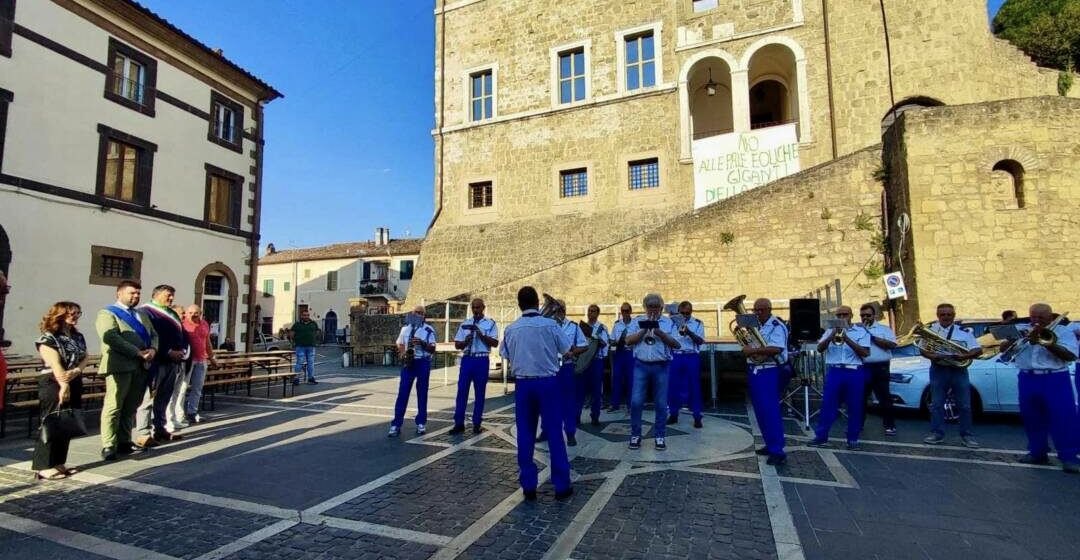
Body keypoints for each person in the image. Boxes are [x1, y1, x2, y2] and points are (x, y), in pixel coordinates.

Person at [499, 286, 573, 500]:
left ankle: (528, 485)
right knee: (554, 434)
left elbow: (505, 354)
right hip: (548, 383)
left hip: (523, 385)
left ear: (519, 304)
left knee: (525, 434)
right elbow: (566, 349)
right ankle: (561, 486)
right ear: (537, 303)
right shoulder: (550, 324)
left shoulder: (512, 329)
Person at [1003, 303, 1079, 472]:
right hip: (1027, 377)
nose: (1036, 321)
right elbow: (1004, 352)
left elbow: (1070, 356)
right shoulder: (1022, 330)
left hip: (1055, 377)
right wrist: (1012, 340)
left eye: (1041, 318)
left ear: (1050, 317)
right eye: (1033, 317)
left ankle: (1069, 457)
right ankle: (1037, 453)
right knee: (1032, 418)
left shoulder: (1063, 331)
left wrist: (1047, 343)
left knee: (1063, 418)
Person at [96, 280, 157, 461]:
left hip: (141, 366)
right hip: (120, 365)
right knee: (114, 406)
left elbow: (154, 334)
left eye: (138, 293)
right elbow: (112, 338)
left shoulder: (142, 315)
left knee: (131, 405)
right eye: (132, 293)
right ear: (119, 293)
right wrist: (137, 352)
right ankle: (109, 444)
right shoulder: (108, 313)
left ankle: (124, 440)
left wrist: (153, 349)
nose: (136, 296)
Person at [32, 302, 89, 480]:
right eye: (71, 313)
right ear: (60, 315)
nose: (75, 316)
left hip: (74, 379)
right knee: (50, 421)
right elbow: (54, 362)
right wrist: (63, 384)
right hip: (53, 381)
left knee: (65, 422)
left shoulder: (76, 336)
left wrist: (78, 370)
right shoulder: (49, 337)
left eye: (77, 313)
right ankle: (43, 466)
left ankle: (58, 462)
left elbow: (85, 355)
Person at [920, 303, 983, 448]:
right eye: (942, 314)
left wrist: (965, 356)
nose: (946, 317)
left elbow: (977, 349)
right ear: (938, 315)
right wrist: (932, 355)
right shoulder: (930, 330)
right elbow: (922, 349)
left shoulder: (964, 332)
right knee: (936, 404)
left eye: (949, 314)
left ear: (954, 315)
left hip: (958, 370)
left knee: (965, 405)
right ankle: (937, 433)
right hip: (938, 369)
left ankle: (967, 435)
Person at [810, 306, 871, 450]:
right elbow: (819, 349)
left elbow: (865, 352)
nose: (842, 317)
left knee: (855, 406)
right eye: (839, 315)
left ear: (851, 315)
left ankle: (853, 439)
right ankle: (821, 437)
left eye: (845, 314)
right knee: (828, 405)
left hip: (854, 371)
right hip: (835, 371)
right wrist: (832, 335)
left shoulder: (861, 332)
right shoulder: (829, 331)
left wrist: (847, 339)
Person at [624, 293, 680, 450]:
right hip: (641, 365)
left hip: (662, 365)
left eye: (656, 307)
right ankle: (635, 434)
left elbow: (676, 344)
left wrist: (660, 332)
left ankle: (660, 436)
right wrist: (645, 329)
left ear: (661, 308)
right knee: (636, 402)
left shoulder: (668, 323)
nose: (653, 311)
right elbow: (628, 341)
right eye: (650, 307)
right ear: (645, 308)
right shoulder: (637, 321)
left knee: (661, 403)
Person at [136, 285, 188, 446]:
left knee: (164, 397)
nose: (171, 298)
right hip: (156, 361)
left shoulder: (171, 312)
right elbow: (148, 336)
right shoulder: (146, 312)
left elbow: (180, 333)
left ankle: (160, 428)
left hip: (173, 362)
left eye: (172, 295)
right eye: (168, 295)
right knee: (148, 398)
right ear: (157, 295)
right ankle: (143, 432)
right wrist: (167, 351)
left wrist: (182, 350)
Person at [742, 298, 789, 465]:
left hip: (770, 371)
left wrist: (753, 350)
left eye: (761, 310)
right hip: (756, 370)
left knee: (770, 411)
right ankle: (770, 444)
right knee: (760, 412)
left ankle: (778, 451)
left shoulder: (777, 325)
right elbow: (750, 345)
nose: (757, 313)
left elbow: (776, 348)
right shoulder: (756, 327)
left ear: (770, 309)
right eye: (755, 310)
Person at [451, 298, 498, 435]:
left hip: (481, 359)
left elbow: (494, 343)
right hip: (467, 359)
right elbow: (457, 345)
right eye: (473, 308)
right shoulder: (465, 324)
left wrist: (480, 333)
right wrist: (465, 341)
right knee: (462, 391)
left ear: (483, 308)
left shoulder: (490, 324)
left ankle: (477, 423)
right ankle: (458, 423)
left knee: (480, 393)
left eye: (478, 308)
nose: (475, 310)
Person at [389, 305, 437, 437]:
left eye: (421, 313)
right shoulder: (405, 328)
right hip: (409, 362)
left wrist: (422, 343)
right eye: (416, 312)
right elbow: (400, 343)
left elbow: (433, 349)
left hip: (422, 361)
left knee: (422, 393)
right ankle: (396, 424)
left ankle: (421, 422)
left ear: (424, 316)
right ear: (412, 314)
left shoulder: (428, 329)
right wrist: (403, 352)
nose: (418, 315)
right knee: (402, 393)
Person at [546, 301, 586, 446]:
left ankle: (570, 433)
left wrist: (572, 352)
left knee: (568, 400)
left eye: (557, 309)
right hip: (550, 367)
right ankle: (546, 429)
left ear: (563, 309)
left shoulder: (574, 326)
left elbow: (584, 345)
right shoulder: (547, 325)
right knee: (548, 400)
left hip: (566, 366)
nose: (556, 311)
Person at [859, 303, 898, 436]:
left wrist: (871, 336)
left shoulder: (884, 329)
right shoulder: (858, 330)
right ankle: (859, 424)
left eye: (868, 315)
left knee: (884, 397)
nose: (865, 318)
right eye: (862, 315)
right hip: (863, 367)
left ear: (874, 315)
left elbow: (892, 345)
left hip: (880, 366)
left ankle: (889, 426)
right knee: (861, 398)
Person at [667, 301, 706, 428]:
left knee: (694, 387)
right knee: (673, 386)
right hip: (676, 355)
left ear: (691, 312)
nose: (684, 316)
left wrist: (689, 332)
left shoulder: (698, 323)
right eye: (682, 313)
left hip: (691, 356)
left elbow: (700, 341)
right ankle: (673, 413)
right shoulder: (671, 323)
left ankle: (697, 416)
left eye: (687, 313)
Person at [178, 305, 216, 426]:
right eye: (190, 312)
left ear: (200, 313)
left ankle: (192, 413)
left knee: (197, 388)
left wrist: (212, 357)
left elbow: (207, 341)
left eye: (196, 313)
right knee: (182, 388)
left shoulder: (204, 324)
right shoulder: (182, 324)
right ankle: (179, 414)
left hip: (201, 359)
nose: (192, 315)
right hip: (188, 360)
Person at [579, 304, 609, 427]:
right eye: (589, 311)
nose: (591, 313)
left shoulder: (602, 328)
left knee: (596, 391)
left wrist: (595, 337)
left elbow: (605, 344)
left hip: (596, 361)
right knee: (580, 390)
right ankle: (576, 416)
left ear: (597, 313)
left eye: (593, 311)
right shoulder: (580, 328)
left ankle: (595, 416)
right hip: (583, 360)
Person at [165, 304, 190, 433]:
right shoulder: (170, 327)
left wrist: (184, 352)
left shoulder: (181, 327)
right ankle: (167, 420)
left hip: (181, 363)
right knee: (168, 393)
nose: (184, 315)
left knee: (176, 392)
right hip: (171, 363)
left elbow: (185, 342)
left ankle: (173, 418)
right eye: (182, 313)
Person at [606, 303, 634, 412]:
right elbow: (612, 340)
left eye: (627, 311)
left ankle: (630, 405)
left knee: (630, 380)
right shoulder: (617, 325)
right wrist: (614, 342)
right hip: (619, 352)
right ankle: (614, 404)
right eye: (623, 311)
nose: (625, 313)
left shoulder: (635, 324)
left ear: (630, 311)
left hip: (630, 353)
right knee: (616, 379)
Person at [287, 309, 320, 385]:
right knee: (299, 362)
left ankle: (311, 378)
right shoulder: (297, 324)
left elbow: (317, 332)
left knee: (311, 363)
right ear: (301, 316)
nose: (306, 316)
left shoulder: (313, 323)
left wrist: (315, 339)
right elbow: (291, 334)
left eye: (307, 315)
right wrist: (293, 342)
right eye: (304, 315)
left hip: (311, 346)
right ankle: (296, 379)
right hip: (300, 346)